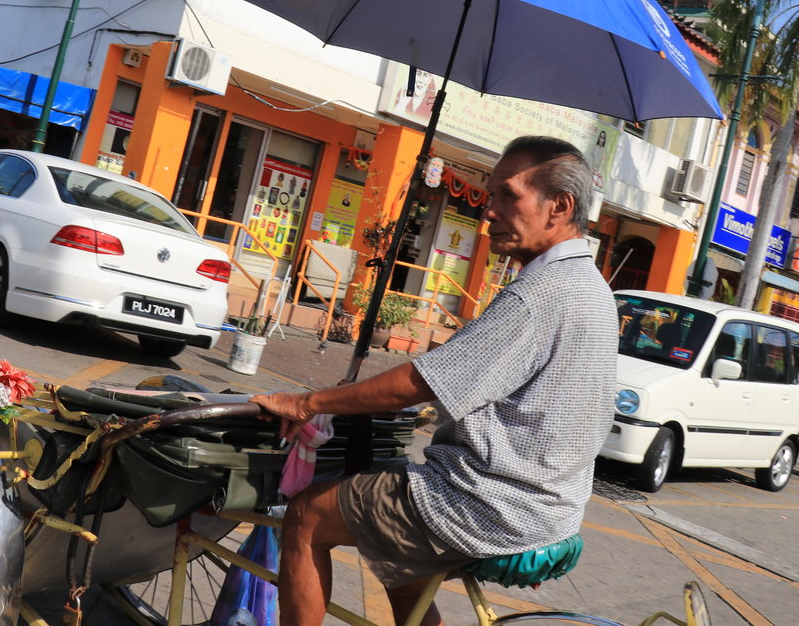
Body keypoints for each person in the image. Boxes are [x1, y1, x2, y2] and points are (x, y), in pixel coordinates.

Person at [251, 136, 618, 626]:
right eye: (490, 196)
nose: (490, 211)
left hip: (490, 504)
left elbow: (419, 383)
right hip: (550, 508)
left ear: (560, 206)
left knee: (305, 516)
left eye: (508, 195)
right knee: (400, 563)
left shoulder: (541, 293)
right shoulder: (593, 288)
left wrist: (308, 402)